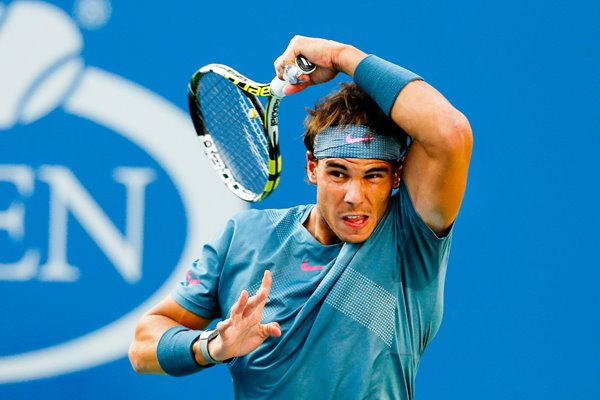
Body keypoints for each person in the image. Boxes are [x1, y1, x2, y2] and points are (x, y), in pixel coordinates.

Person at [129, 35, 472, 399]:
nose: (355, 197)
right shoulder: (245, 238)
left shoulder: (408, 240)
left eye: (374, 175)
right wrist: (212, 345)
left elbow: (450, 132)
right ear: (312, 167)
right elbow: (142, 344)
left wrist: (341, 56)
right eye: (338, 173)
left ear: (396, 177)